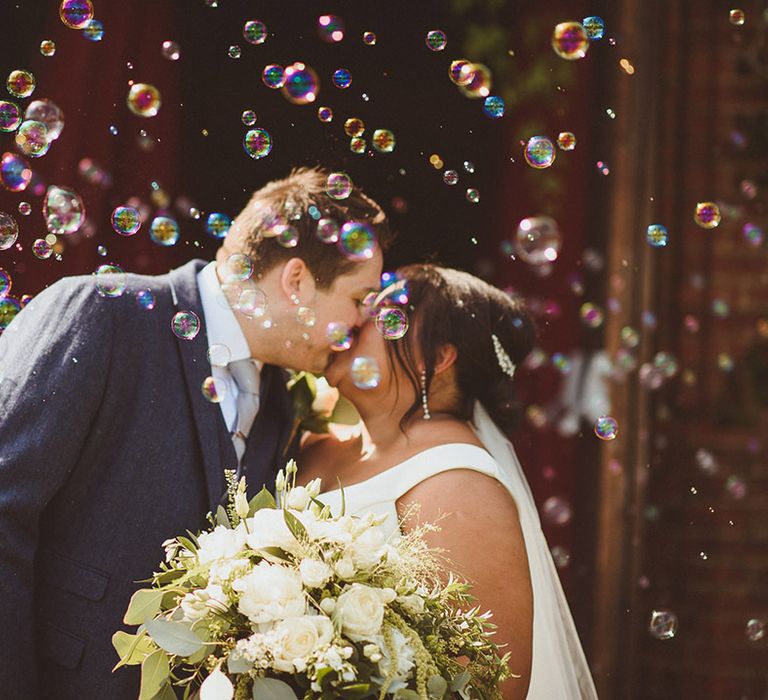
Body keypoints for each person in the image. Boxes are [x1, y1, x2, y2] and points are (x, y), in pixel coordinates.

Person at [0, 167, 389, 699]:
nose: (362, 327)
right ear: (296, 280)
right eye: (359, 300)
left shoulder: (279, 400)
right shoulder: (103, 314)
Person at [298, 264, 599, 699]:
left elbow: (488, 684)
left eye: (383, 315)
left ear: (437, 357)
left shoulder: (457, 483)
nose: (356, 321)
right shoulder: (313, 444)